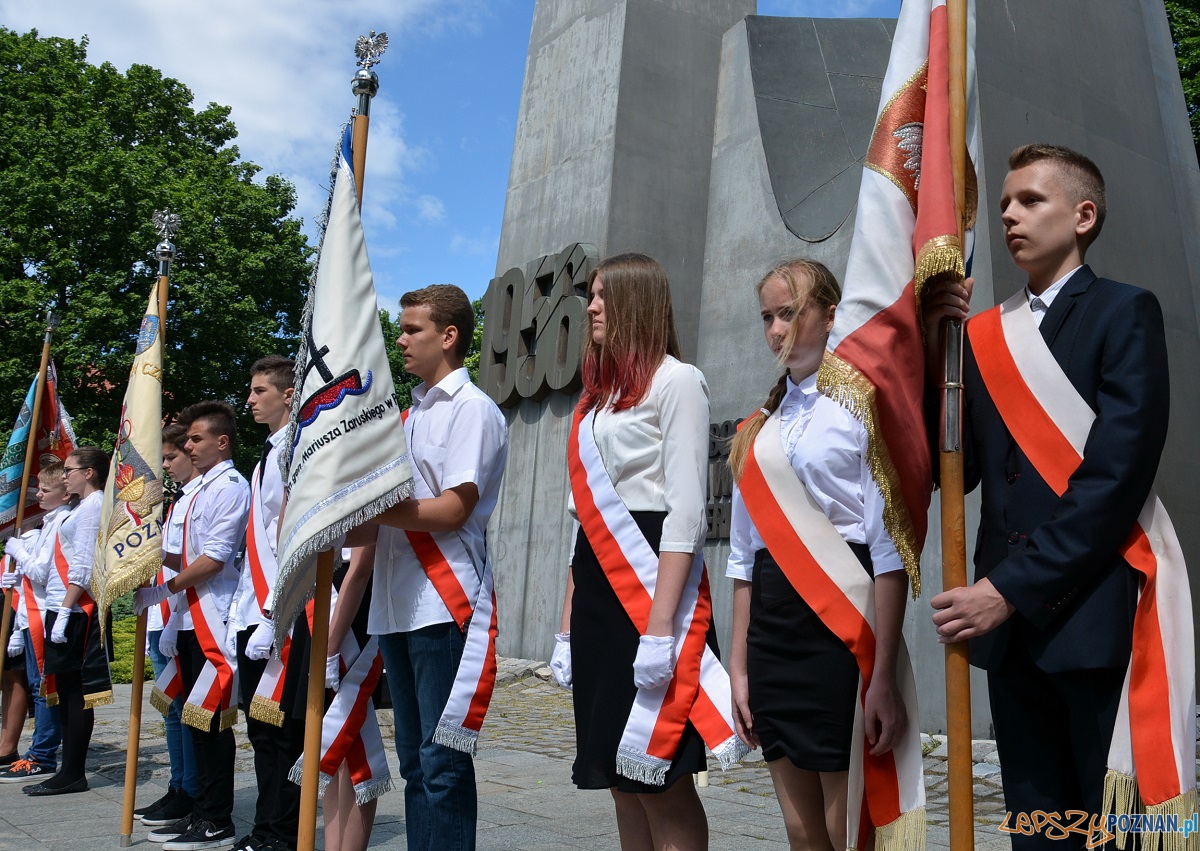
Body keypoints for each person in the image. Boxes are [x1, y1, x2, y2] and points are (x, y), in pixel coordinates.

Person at [924, 144, 1186, 844]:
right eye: (1005, 202)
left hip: (1093, 619)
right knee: (1039, 834)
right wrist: (935, 349)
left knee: (1112, 832)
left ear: (1083, 215)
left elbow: (1113, 482)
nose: (1009, 213)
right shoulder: (981, 336)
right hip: (1010, 638)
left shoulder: (1125, 312)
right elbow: (956, 468)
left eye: (1030, 200)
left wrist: (1006, 587)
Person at [553, 252, 745, 851]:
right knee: (619, 777)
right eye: (591, 294)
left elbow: (686, 512)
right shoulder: (593, 402)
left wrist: (661, 631)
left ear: (638, 301)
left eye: (604, 295)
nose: (591, 306)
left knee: (662, 780)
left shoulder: (676, 380)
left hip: (653, 592)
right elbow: (583, 523)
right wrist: (565, 630)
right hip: (598, 592)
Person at [725, 259, 917, 851]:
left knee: (845, 818)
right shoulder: (753, 431)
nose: (776, 330)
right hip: (773, 634)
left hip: (840, 630)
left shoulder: (863, 407)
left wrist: (883, 674)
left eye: (789, 313)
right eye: (767, 317)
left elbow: (888, 553)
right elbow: (740, 560)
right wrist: (738, 667)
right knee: (799, 828)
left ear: (830, 315)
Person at [343, 283, 507, 851]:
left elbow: (453, 508)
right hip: (394, 604)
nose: (401, 337)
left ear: (449, 335)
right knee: (415, 761)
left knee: (443, 763)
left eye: (412, 328)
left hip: (445, 602)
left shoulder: (473, 410)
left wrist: (376, 507)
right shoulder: (406, 417)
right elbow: (384, 522)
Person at [135, 401, 250, 850]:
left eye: (195, 439)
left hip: (213, 618)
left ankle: (216, 818)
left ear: (221, 442)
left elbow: (215, 557)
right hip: (186, 618)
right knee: (191, 722)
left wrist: (164, 590)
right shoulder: (194, 491)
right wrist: (143, 556)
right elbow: (183, 554)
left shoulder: (230, 487)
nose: (187, 446)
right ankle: (199, 808)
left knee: (210, 725)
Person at [227, 355, 305, 851]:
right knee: (260, 732)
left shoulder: (295, 454)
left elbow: (290, 541)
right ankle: (265, 828)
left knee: (281, 734)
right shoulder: (268, 456)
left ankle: (280, 832)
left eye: (260, 391)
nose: (251, 400)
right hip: (255, 608)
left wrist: (274, 613)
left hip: (283, 614)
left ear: (288, 395)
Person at [26, 445, 112, 796]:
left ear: (88, 473)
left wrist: (64, 611)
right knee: (63, 690)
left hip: (77, 608)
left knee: (77, 693)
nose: (64, 476)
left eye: (69, 470)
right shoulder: (80, 506)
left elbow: (82, 564)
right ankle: (68, 767)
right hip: (65, 606)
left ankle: (73, 770)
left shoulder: (93, 505)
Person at [135, 425, 200, 828]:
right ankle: (180, 785)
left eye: (170, 458)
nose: (164, 466)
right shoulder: (177, 502)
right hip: (165, 616)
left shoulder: (208, 491)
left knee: (186, 709)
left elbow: (201, 558)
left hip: (187, 615)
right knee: (171, 712)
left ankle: (192, 789)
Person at [0, 461, 68, 783]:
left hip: (45, 614)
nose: (38, 494)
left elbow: (44, 572)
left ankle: (41, 754)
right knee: (39, 685)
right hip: (29, 615)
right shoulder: (50, 523)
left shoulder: (61, 522)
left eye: (44, 489)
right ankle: (38, 751)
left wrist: (20, 553)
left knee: (44, 688)